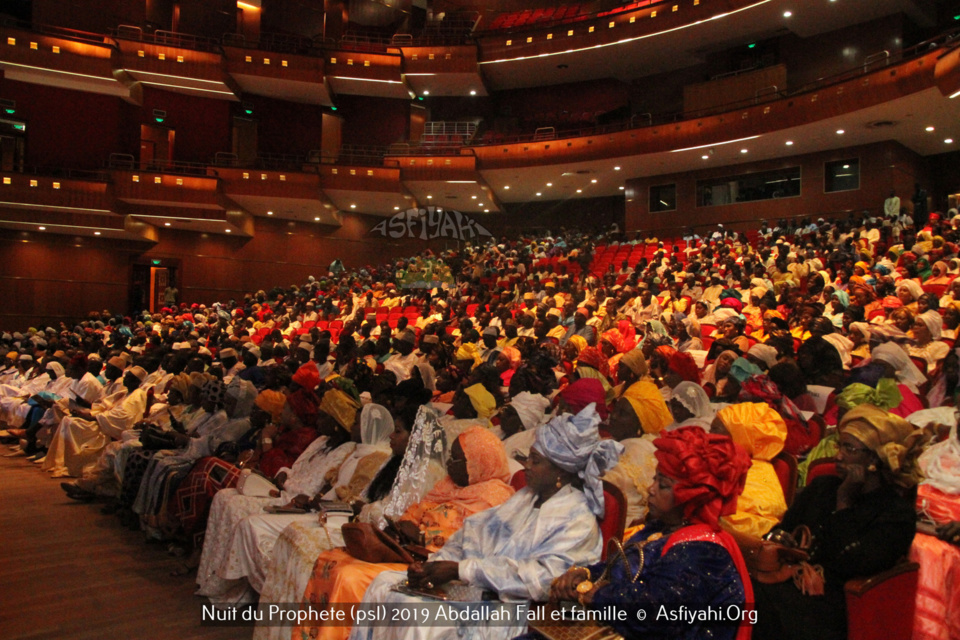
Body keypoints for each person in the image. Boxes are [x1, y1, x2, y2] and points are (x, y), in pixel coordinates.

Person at [348, 404, 622, 640]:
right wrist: (433, 565)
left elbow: (543, 579)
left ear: (561, 471)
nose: (526, 466)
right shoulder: (526, 498)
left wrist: (463, 571)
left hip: (512, 609)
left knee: (421, 620)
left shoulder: (577, 517)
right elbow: (473, 533)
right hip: (476, 587)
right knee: (384, 584)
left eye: (536, 461)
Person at [295, 425, 515, 640]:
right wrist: (405, 526)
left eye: (455, 459)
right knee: (331, 559)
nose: (448, 463)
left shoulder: (494, 498)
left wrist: (420, 536)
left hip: (432, 563)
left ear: (478, 464)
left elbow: (467, 542)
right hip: (408, 548)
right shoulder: (450, 485)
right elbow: (415, 511)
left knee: (349, 576)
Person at [539, 426, 752, 640]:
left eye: (664, 485)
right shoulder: (662, 528)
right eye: (655, 479)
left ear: (691, 497)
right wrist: (584, 574)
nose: (651, 489)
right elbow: (620, 569)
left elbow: (653, 612)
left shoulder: (702, 552)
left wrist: (592, 594)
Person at [752, 404, 920, 640]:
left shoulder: (895, 513)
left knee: (748, 606)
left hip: (833, 605)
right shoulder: (823, 487)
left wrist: (844, 501)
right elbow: (781, 530)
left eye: (850, 448)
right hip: (787, 582)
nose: (839, 455)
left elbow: (852, 563)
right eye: (840, 445)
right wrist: (781, 541)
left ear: (874, 459)